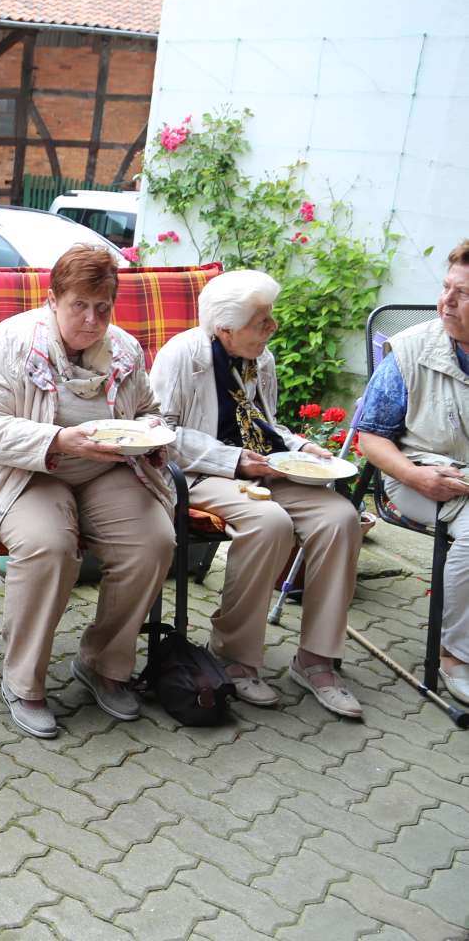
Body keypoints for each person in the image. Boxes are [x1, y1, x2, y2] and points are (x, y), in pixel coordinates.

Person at [0, 244, 176, 738]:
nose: (91, 320)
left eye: (103, 307)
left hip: (102, 470)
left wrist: (150, 432)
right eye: (79, 306)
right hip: (20, 471)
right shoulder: (12, 343)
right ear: (53, 300)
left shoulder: (125, 351)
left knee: (154, 542)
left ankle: (102, 662)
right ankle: (24, 682)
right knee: (49, 545)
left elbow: (153, 410)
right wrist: (58, 439)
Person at [151, 270, 363, 717]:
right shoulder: (182, 356)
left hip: (265, 468)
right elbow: (161, 432)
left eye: (269, 317)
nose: (272, 328)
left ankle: (316, 659)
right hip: (204, 474)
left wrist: (302, 447)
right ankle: (235, 654)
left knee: (340, 518)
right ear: (224, 329)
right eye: (261, 321)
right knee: (270, 524)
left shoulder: (258, 359)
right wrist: (232, 461)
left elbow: (265, 423)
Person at [355, 239, 469, 706]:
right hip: (419, 478)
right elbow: (371, 439)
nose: (446, 301)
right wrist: (418, 477)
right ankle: (454, 655)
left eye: (463, 294)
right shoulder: (409, 350)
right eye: (446, 288)